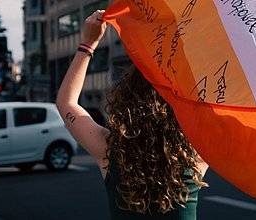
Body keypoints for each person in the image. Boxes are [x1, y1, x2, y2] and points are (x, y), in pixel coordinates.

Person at [56, 10, 208, 219]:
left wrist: (88, 43)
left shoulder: (110, 149)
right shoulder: (197, 151)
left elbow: (66, 103)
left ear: (127, 97)